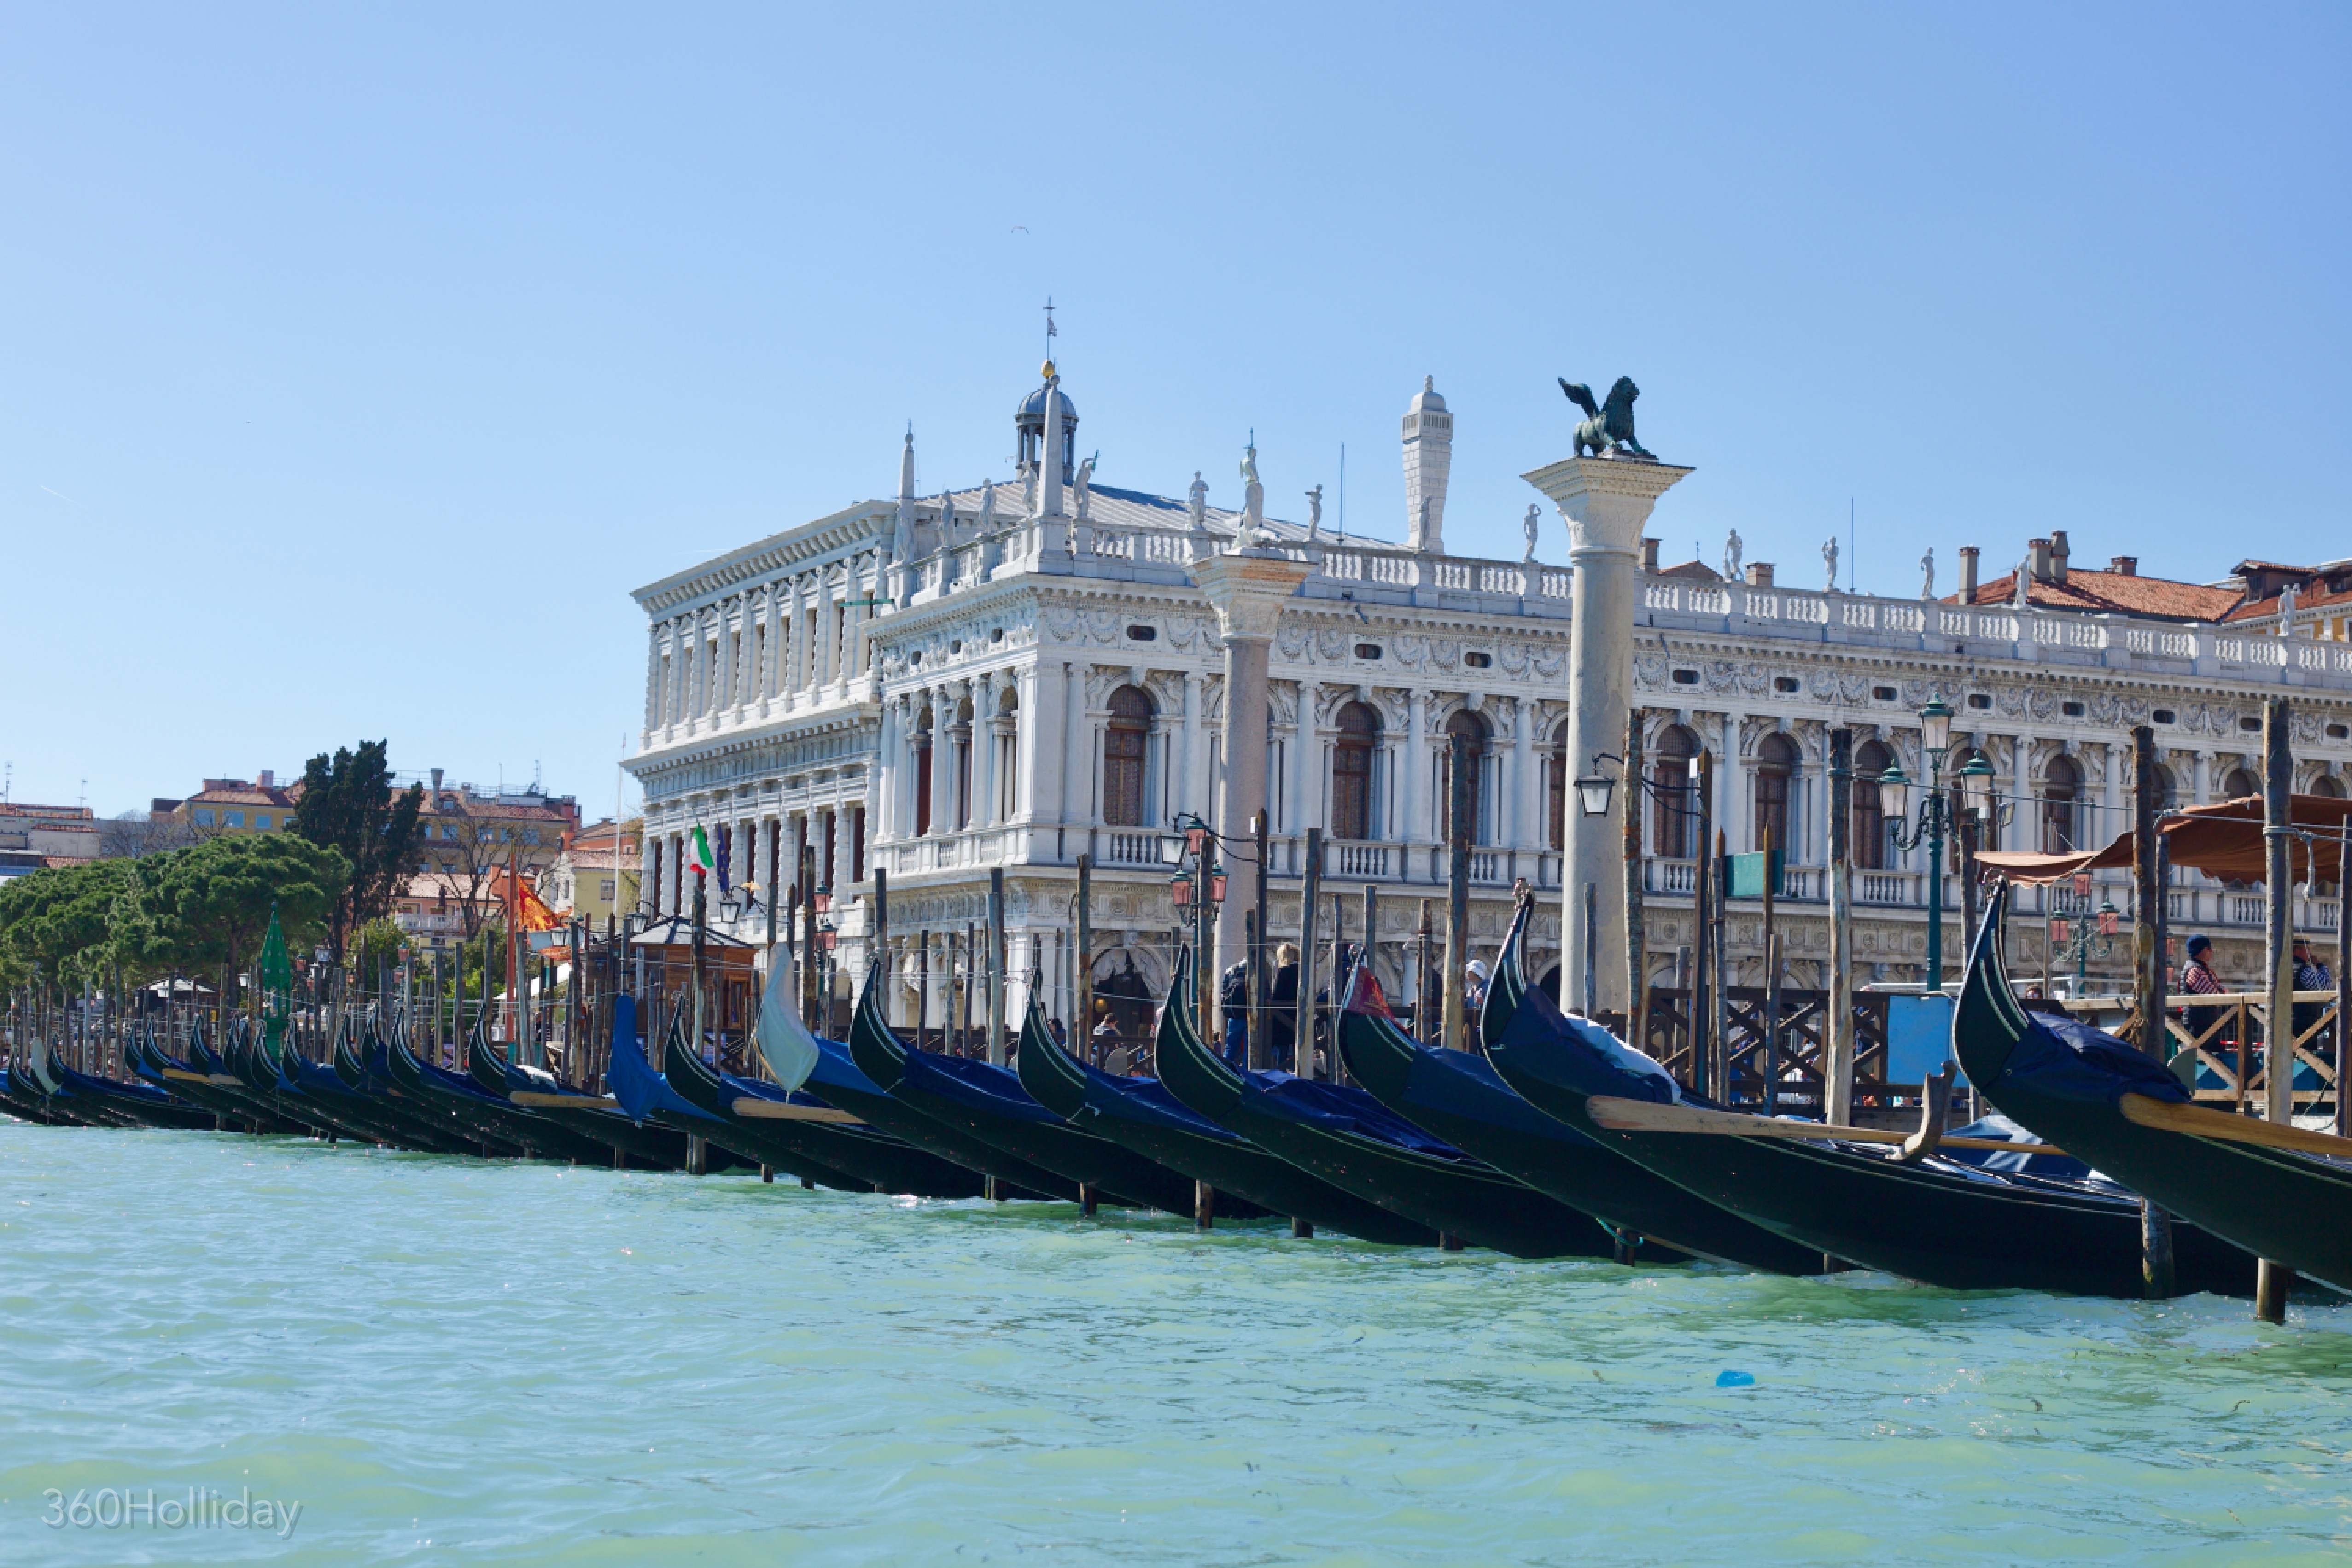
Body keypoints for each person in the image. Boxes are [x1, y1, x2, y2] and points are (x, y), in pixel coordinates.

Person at [2180, 934, 2226, 1049]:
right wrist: (2221, 991)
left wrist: (2221, 991)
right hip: (2198, 1027)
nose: (2212, 951)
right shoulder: (2196, 971)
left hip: (2205, 1026)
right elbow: (2215, 996)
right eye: (2209, 948)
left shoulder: (2200, 969)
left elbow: (2220, 990)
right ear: (2203, 950)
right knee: (2204, 1055)